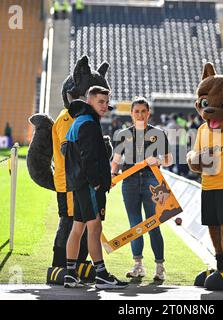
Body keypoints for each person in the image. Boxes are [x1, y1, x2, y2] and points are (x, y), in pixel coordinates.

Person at [63, 86, 128, 289]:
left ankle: (70, 274)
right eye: (100, 101)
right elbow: (88, 156)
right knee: (94, 227)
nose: (105, 106)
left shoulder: (79, 121)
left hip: (79, 183)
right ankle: (101, 275)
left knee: (78, 228)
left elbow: (68, 151)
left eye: (106, 102)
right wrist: (96, 180)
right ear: (89, 101)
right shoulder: (89, 123)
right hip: (88, 184)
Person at [111, 97, 173, 281]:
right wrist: (112, 176)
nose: (140, 115)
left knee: (154, 225)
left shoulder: (158, 133)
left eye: (143, 111)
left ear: (149, 113)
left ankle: (159, 267)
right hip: (129, 182)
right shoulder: (123, 134)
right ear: (131, 113)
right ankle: (138, 265)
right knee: (135, 225)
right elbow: (115, 161)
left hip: (152, 182)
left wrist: (159, 160)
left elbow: (169, 159)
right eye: (136, 111)